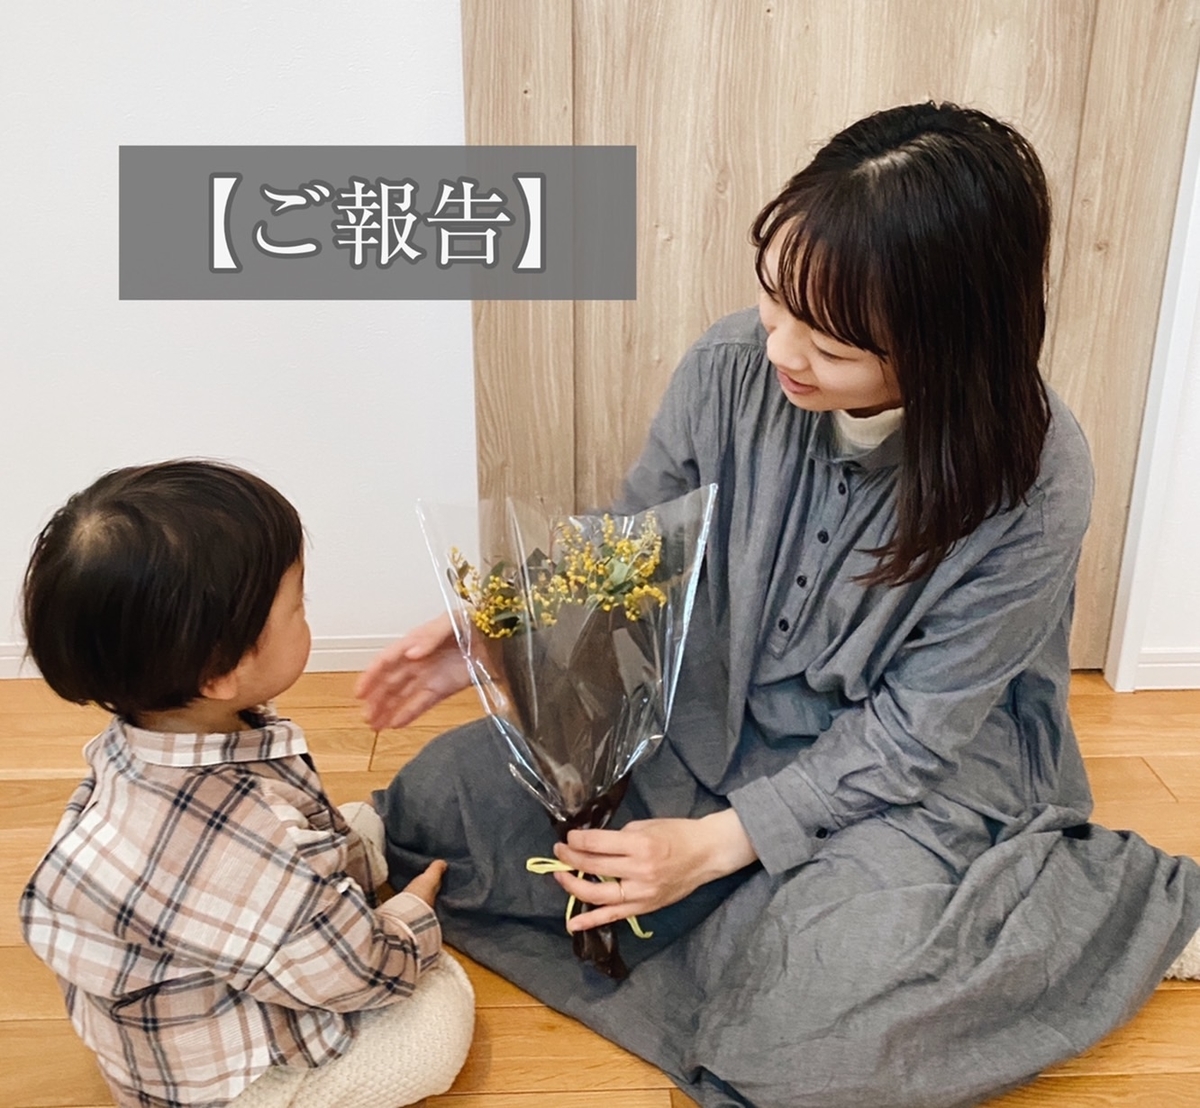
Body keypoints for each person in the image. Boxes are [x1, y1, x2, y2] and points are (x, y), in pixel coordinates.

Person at [358, 102, 1200, 1108]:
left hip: (906, 781)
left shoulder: (1038, 478)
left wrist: (715, 845)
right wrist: (510, 634)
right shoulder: (731, 365)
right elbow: (641, 548)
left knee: (815, 1041)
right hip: (707, 720)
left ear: (947, 347)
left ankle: (1114, 909)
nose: (784, 351)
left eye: (832, 344)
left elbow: (917, 734)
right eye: (775, 302)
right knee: (436, 806)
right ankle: (754, 941)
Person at [19, 460, 474, 1108]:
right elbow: (349, 971)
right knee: (436, 1030)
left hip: (183, 982)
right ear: (221, 671)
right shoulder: (251, 839)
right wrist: (410, 922)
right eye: (298, 605)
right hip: (227, 1083)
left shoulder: (140, 743)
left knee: (335, 837)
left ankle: (339, 877)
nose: (308, 614)